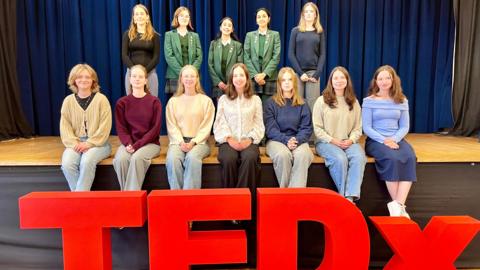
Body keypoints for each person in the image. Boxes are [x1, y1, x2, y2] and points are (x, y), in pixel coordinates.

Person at [362, 65, 416, 218]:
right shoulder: (369, 101)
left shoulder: (401, 100)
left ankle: (398, 205)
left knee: (410, 158)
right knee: (392, 159)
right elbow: (367, 127)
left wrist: (395, 139)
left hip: (396, 138)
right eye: (380, 78)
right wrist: (385, 140)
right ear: (376, 81)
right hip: (376, 140)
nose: (384, 81)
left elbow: (405, 126)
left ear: (393, 80)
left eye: (387, 78)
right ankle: (399, 208)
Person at [313, 67, 366, 202]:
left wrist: (351, 140)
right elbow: (317, 129)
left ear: (347, 81)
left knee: (359, 157)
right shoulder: (321, 101)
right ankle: (344, 198)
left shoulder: (353, 102)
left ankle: (350, 198)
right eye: (335, 78)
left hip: (347, 142)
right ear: (331, 81)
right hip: (326, 142)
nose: (339, 81)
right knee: (340, 159)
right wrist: (333, 140)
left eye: (342, 77)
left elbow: (357, 128)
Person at [60, 64, 112, 191]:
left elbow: (105, 127)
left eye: (87, 77)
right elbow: (65, 127)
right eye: (80, 77)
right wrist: (75, 143)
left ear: (93, 80)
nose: (84, 80)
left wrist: (89, 143)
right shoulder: (68, 101)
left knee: (87, 161)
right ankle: (82, 198)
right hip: (75, 143)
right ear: (74, 80)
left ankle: (79, 202)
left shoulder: (101, 99)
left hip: (99, 144)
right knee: (67, 164)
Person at [213, 63, 265, 191]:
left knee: (250, 158)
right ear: (231, 79)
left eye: (241, 75)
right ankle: (231, 200)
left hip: (249, 140)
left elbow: (258, 124)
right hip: (228, 141)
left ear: (247, 78)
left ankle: (244, 201)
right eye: (235, 75)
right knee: (229, 158)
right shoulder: (224, 99)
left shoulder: (255, 99)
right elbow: (220, 123)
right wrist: (230, 139)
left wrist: (249, 139)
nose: (238, 78)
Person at [165, 65, 215, 190]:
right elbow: (172, 126)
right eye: (186, 76)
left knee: (192, 158)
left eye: (192, 76)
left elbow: (206, 126)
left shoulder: (206, 101)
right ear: (181, 79)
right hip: (178, 142)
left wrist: (193, 142)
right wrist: (181, 142)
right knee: (173, 159)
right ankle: (176, 198)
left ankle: (189, 199)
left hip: (199, 143)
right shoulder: (173, 101)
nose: (189, 79)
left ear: (197, 79)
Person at [113, 65, 162, 191]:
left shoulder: (154, 102)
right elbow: (121, 128)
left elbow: (155, 130)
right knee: (120, 159)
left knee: (137, 158)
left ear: (146, 80)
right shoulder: (122, 103)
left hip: (150, 144)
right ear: (129, 79)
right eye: (134, 76)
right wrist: (129, 144)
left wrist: (137, 145)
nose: (137, 79)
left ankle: (129, 201)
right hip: (129, 144)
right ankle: (129, 198)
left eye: (141, 76)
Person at [264, 67, 313, 188]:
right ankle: (286, 195)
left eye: (290, 79)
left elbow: (306, 128)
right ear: (279, 83)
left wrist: (296, 140)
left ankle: (294, 197)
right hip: (276, 141)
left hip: (298, 141)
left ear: (294, 82)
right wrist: (286, 140)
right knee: (283, 155)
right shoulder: (271, 103)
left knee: (303, 155)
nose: (286, 82)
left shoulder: (303, 103)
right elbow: (271, 129)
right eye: (283, 80)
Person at [288, 2, 326, 111]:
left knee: (312, 104)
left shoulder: (319, 32)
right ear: (303, 14)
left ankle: (312, 128)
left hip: (313, 73)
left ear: (315, 15)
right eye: (306, 11)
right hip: (298, 72)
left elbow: (322, 54)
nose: (308, 14)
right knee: (297, 101)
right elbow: (291, 54)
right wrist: (300, 73)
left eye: (311, 11)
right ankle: (299, 127)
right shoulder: (295, 31)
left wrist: (317, 74)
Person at [122, 4, 160, 97]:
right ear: (134, 18)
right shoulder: (127, 34)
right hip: (132, 73)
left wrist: (144, 72)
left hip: (149, 73)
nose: (139, 16)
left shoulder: (155, 36)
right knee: (132, 102)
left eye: (142, 14)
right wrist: (134, 71)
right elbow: (124, 55)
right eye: (137, 14)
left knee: (151, 102)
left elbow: (156, 57)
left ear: (147, 17)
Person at [164, 6, 202, 98]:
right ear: (176, 18)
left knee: (192, 101)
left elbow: (199, 56)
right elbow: (169, 56)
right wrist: (182, 73)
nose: (184, 18)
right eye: (181, 16)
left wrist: (191, 72)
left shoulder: (195, 36)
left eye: (187, 16)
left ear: (189, 19)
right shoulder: (169, 35)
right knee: (176, 103)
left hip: (192, 76)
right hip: (174, 74)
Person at [244, 8, 281, 101]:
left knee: (267, 109)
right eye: (259, 17)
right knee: (253, 109)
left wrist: (264, 74)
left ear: (268, 19)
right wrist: (256, 76)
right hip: (253, 78)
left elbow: (276, 57)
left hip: (269, 77)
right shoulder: (250, 35)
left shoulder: (275, 35)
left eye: (264, 16)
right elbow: (246, 57)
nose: (261, 18)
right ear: (256, 20)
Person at [208, 17, 243, 100]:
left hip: (233, 82)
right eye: (224, 25)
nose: (226, 27)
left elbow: (239, 65)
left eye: (229, 26)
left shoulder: (237, 45)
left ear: (232, 29)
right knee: (220, 108)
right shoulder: (213, 44)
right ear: (220, 28)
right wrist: (218, 82)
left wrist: (231, 82)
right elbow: (210, 64)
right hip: (218, 84)